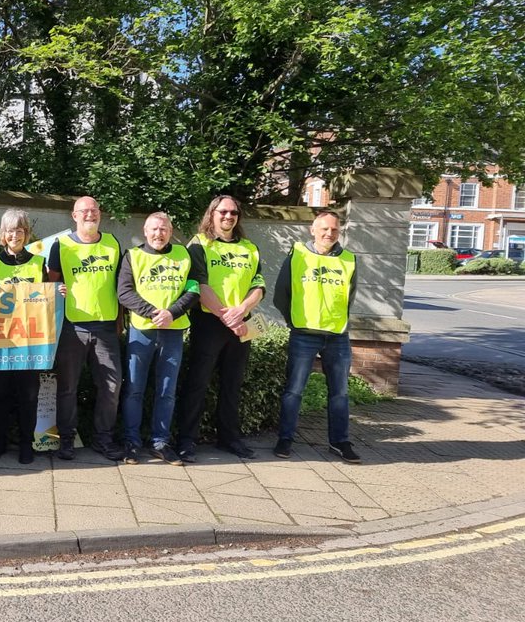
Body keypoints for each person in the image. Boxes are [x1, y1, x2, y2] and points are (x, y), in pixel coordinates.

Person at [175, 195, 265, 462]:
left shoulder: (250, 248)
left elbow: (258, 286)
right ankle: (186, 440)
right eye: (223, 212)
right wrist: (228, 316)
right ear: (211, 214)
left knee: (232, 384)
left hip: (241, 324)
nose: (229, 217)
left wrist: (241, 312)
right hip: (210, 322)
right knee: (197, 383)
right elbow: (199, 285)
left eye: (234, 212)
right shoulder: (199, 244)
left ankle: (229, 438)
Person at [273, 210, 361, 463]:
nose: (329, 233)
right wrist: (293, 323)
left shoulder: (349, 259)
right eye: (324, 229)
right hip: (304, 333)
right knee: (293, 391)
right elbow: (281, 293)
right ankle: (285, 439)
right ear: (313, 229)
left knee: (340, 393)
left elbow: (349, 297)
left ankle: (340, 442)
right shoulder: (297, 254)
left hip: (337, 336)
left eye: (334, 229)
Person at [118, 212, 199, 465]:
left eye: (163, 229)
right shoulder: (133, 256)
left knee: (167, 391)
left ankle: (160, 442)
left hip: (173, 332)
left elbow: (194, 288)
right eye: (154, 229)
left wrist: (172, 313)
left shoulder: (184, 255)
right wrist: (154, 313)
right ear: (145, 230)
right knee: (134, 390)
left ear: (171, 230)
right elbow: (124, 292)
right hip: (141, 332)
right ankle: (131, 442)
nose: (158, 234)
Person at [46, 196, 124, 461]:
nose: (90, 214)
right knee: (67, 388)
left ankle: (103, 439)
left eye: (94, 210)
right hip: (72, 326)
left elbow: (120, 285)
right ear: (74, 215)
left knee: (112, 387)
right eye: (84, 211)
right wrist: (58, 291)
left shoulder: (113, 243)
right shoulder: (61, 245)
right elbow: (50, 284)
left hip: (105, 327)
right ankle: (66, 440)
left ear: (100, 214)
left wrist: (120, 323)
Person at [0, 209, 45, 464]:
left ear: (26, 234)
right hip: (1, 341)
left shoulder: (39, 263)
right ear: (3, 235)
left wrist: (57, 291)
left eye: (19, 230)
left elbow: (47, 299)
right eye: (10, 230)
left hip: (31, 341)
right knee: (1, 394)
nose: (14, 235)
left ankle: (26, 445)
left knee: (29, 395)